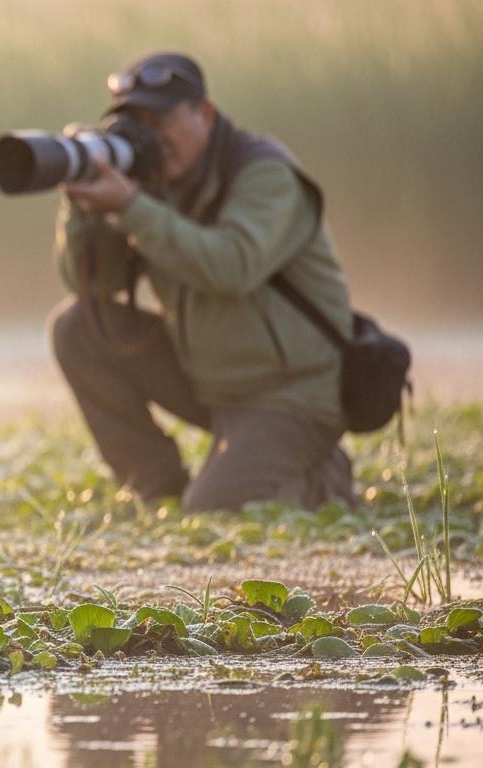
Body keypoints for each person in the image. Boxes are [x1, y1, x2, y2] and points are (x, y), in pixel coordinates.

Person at [49, 51, 354, 512]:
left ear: (205, 113)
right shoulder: (151, 185)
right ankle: (156, 485)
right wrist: (83, 207)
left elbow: (230, 267)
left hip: (292, 394)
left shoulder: (265, 175)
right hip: (212, 380)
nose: (151, 137)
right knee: (77, 327)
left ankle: (322, 473)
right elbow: (91, 284)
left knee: (212, 508)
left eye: (161, 120)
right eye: (137, 124)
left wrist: (131, 206)